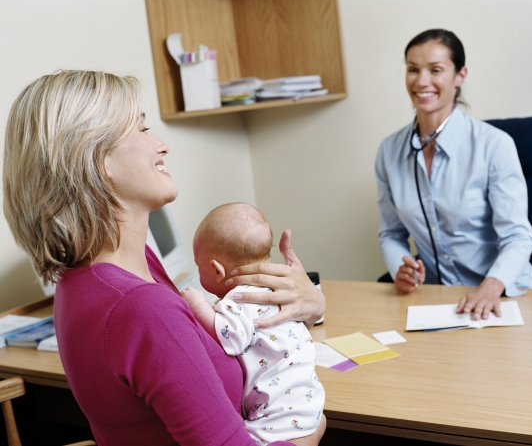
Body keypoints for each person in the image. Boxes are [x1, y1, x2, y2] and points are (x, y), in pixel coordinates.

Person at [2, 70, 325, 446]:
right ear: (95, 157)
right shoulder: (141, 306)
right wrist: (309, 436)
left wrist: (310, 306)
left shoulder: (101, 276)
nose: (160, 144)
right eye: (140, 130)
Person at [375, 29, 532, 320]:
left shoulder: (494, 145)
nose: (422, 81)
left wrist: (491, 286)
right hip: (440, 300)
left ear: (460, 76)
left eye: (435, 70)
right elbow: (391, 233)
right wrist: (400, 267)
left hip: (503, 296)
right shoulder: (389, 151)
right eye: (413, 69)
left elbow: (517, 235)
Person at [182, 202, 324, 445]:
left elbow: (228, 335)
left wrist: (197, 304)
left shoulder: (240, 299)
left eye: (198, 266)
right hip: (308, 402)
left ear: (217, 271)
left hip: (277, 417)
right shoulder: (282, 290)